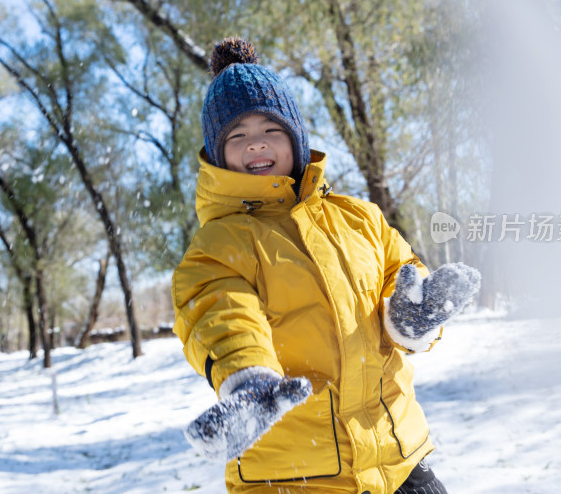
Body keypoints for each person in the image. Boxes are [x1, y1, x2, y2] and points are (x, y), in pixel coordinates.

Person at [172, 37, 480, 494]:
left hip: (396, 458)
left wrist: (409, 314)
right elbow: (219, 310)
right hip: (294, 476)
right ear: (219, 155)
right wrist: (248, 377)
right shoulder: (221, 241)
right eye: (237, 135)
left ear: (296, 138)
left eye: (270, 130)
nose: (255, 143)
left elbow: (402, 270)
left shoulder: (360, 218)